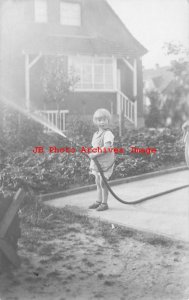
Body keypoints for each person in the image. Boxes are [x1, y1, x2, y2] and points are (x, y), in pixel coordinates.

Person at [88, 108, 115, 211]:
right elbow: (95, 146)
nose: (102, 122)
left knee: (103, 183)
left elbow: (107, 148)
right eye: (99, 120)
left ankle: (104, 203)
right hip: (97, 163)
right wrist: (91, 152)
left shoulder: (108, 134)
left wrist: (94, 154)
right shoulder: (95, 134)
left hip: (106, 163)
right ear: (96, 121)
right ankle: (98, 201)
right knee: (97, 182)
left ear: (108, 120)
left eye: (104, 119)